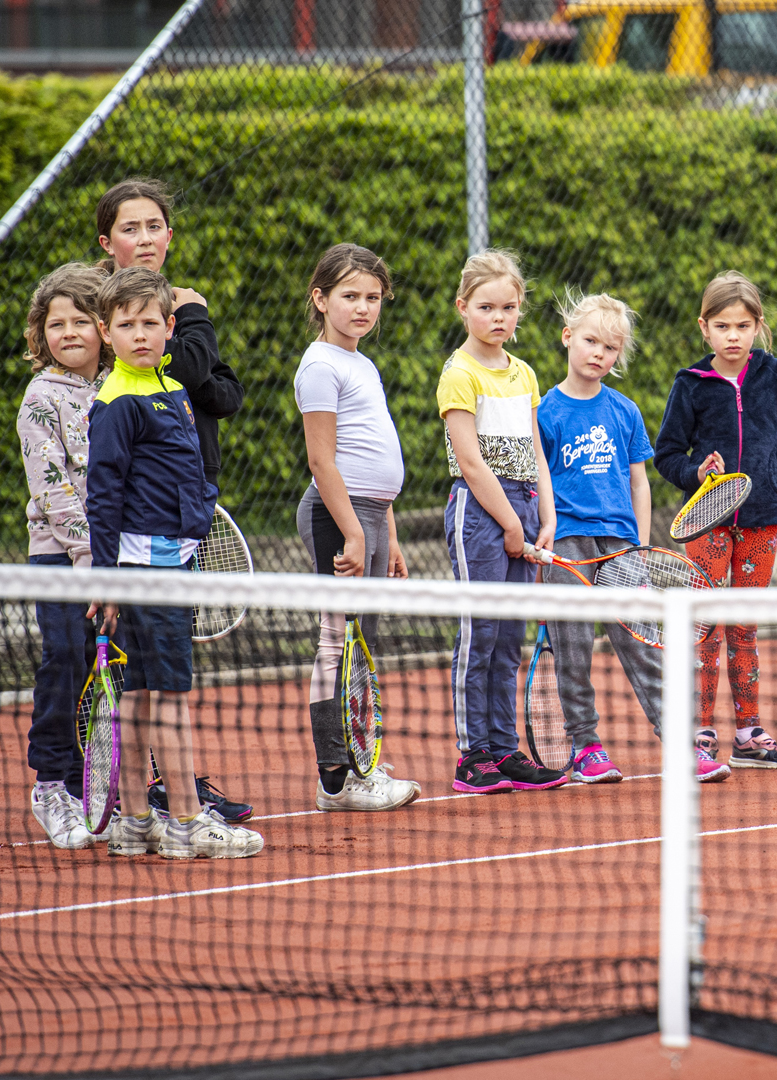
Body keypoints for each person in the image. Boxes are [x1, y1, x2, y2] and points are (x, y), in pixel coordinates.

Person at [85, 267, 262, 859]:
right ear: (106, 333)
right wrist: (106, 576)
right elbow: (103, 495)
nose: (140, 334)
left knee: (139, 690)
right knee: (170, 695)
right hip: (148, 568)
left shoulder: (172, 387)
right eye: (126, 325)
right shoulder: (117, 402)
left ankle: (134, 820)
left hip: (172, 562)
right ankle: (187, 821)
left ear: (169, 327)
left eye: (151, 323)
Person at [536, 291, 730, 783]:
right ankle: (586, 747)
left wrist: (639, 544)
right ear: (568, 338)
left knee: (646, 648)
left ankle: (684, 746)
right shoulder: (544, 412)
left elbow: (638, 481)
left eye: (610, 347)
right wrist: (548, 537)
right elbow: (540, 481)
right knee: (573, 650)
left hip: (622, 547)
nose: (599, 353)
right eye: (590, 341)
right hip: (568, 547)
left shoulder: (624, 411)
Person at [655, 271, 777, 769]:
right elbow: (667, 454)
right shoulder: (690, 384)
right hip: (707, 520)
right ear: (703, 327)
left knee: (743, 627)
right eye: (723, 325)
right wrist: (695, 470)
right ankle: (701, 734)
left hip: (763, 518)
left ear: (758, 327)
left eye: (743, 325)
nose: (733, 335)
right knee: (704, 627)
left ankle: (749, 734)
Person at [294, 243, 423, 811]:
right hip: (335, 515)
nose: (363, 308)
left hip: (368, 516)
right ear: (321, 300)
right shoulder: (319, 366)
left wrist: (386, 533)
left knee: (356, 643)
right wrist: (352, 532)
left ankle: (356, 757)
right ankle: (337, 778)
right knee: (335, 641)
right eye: (350, 296)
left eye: (373, 297)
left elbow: (375, 458)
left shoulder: (361, 363)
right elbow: (323, 462)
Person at [437, 249, 566, 794]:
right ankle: (474, 755)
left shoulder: (526, 374)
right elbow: (470, 460)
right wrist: (510, 521)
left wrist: (545, 514)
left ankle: (505, 749)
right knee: (480, 632)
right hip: (479, 511)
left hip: (525, 507)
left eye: (509, 307)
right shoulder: (458, 373)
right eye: (487, 307)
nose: (499, 317)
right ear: (463, 307)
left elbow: (536, 449)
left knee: (510, 636)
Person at [19, 262, 112, 849]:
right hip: (61, 559)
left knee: (107, 675)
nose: (70, 332)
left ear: (104, 327)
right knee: (64, 662)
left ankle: (93, 786)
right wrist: (87, 558)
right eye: (57, 324)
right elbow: (52, 487)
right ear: (41, 334)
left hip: (121, 561)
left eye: (82, 320)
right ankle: (52, 783)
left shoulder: (122, 388)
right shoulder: (39, 399)